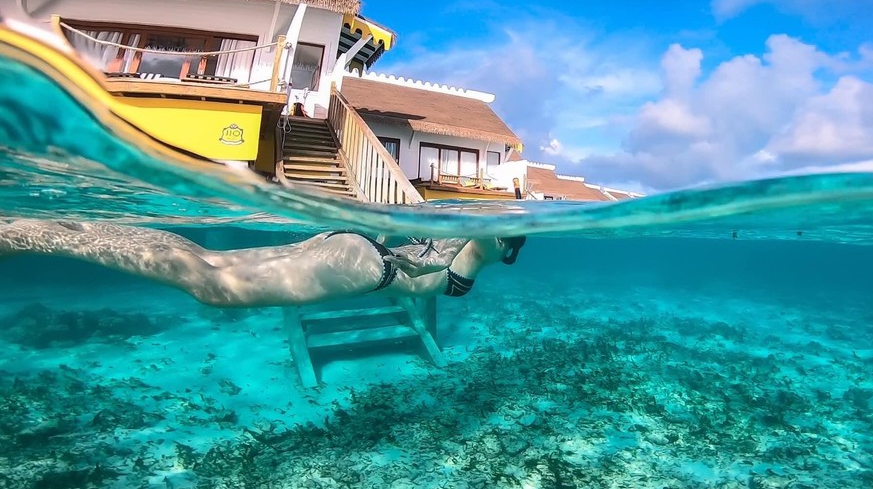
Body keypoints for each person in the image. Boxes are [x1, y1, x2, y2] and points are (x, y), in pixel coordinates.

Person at [0, 219, 526, 308]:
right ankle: (43, 239)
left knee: (206, 262)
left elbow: (394, 235)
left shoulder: (454, 243)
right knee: (210, 285)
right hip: (365, 267)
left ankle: (66, 231)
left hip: (356, 247)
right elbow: (486, 236)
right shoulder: (478, 257)